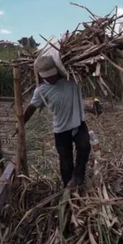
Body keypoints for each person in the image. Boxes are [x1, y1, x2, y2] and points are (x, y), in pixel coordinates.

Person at [22, 55, 91, 189]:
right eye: (47, 77)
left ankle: (77, 177)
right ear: (41, 76)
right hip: (61, 129)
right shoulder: (41, 90)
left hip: (78, 123)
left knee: (85, 147)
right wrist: (21, 123)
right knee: (65, 161)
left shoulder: (72, 80)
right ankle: (67, 186)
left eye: (52, 75)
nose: (51, 79)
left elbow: (88, 71)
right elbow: (31, 108)